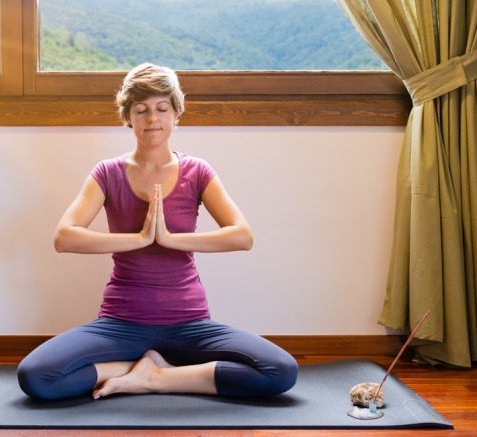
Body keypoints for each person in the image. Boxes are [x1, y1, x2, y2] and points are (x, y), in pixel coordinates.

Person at [17, 63, 298, 400]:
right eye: (141, 110)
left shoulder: (197, 172)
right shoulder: (107, 173)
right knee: (35, 377)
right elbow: (64, 237)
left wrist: (169, 240)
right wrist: (138, 239)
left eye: (162, 108)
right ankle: (137, 368)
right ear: (128, 117)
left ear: (176, 113)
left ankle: (155, 377)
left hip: (190, 325)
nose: (152, 118)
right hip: (121, 323)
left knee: (280, 370)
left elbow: (242, 235)